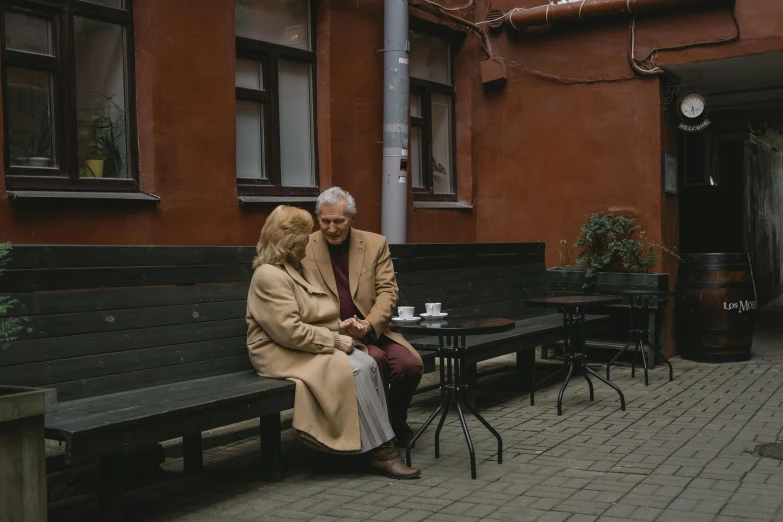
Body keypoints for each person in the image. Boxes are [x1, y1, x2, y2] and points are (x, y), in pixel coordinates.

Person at [245, 205, 420, 479]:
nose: (310, 239)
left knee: (367, 361)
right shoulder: (269, 275)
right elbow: (288, 332)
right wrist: (334, 340)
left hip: (301, 345)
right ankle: (381, 452)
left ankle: (369, 444)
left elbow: (308, 316)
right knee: (355, 368)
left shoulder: (294, 266)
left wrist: (340, 326)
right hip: (278, 352)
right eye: (305, 235)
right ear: (290, 240)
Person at [302, 187, 424, 447]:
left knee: (409, 366)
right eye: (325, 221)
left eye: (339, 221)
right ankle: (376, 439)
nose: (331, 228)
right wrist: (337, 329)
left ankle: (394, 422)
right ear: (318, 218)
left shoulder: (374, 243)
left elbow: (388, 291)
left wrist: (369, 323)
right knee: (375, 361)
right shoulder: (304, 247)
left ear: (352, 219)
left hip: (374, 330)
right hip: (335, 334)